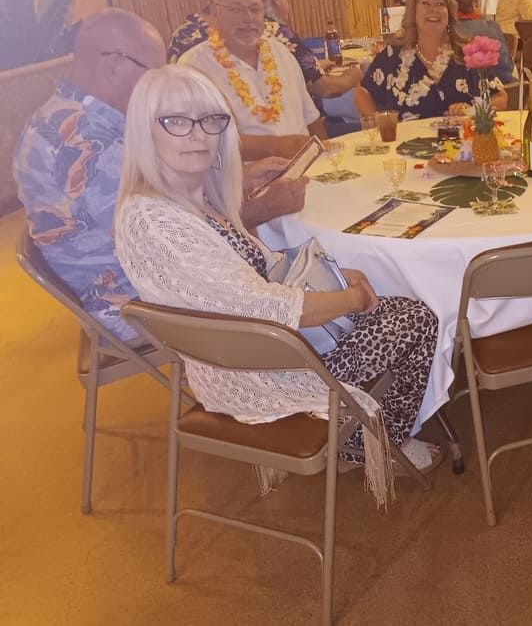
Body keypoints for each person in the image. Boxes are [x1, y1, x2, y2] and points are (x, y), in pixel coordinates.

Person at [113, 64, 443, 476]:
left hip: (266, 345)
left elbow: (259, 269)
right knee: (415, 319)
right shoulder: (154, 221)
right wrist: (350, 298)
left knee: (398, 307)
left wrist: (340, 277)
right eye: (177, 121)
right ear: (146, 130)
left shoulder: (186, 198)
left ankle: (368, 434)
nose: (198, 133)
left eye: (210, 120)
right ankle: (370, 444)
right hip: (264, 369)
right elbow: (263, 308)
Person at [13, 8, 307, 341]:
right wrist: (266, 206)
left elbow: (169, 205)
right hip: (141, 303)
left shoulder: (64, 116)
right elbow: (179, 239)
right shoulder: (87, 145)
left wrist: (239, 179)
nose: (161, 82)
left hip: (132, 279)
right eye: (155, 70)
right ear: (114, 65)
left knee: (291, 269)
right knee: (303, 285)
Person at [179, 0, 327, 160]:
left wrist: (327, 163)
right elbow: (201, 141)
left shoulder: (280, 52)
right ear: (216, 13)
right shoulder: (194, 68)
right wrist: (274, 148)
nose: (247, 18)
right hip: (247, 183)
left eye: (255, 9)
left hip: (308, 172)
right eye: (236, 9)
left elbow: (311, 119)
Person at [356, 0, 507, 121]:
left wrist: (473, 110)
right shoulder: (391, 56)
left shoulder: (467, 54)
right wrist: (380, 125)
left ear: (449, 12)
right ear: (413, 12)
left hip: (461, 143)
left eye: (440, 4)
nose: (433, 10)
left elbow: (501, 97)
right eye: (425, 3)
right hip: (407, 145)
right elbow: (363, 94)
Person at [446, 0, 517, 85]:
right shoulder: (491, 26)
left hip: (477, 95)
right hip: (510, 90)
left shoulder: (448, 32)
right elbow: (507, 67)